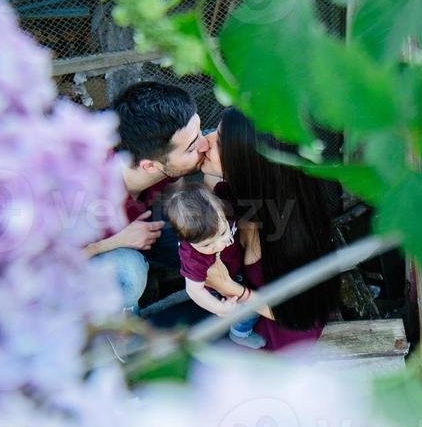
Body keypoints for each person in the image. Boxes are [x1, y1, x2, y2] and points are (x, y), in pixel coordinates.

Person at [201, 107, 340, 351]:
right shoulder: (236, 195)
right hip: (239, 322)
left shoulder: (293, 237)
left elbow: (301, 316)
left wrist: (232, 289)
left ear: (245, 163)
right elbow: (210, 180)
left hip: (281, 341)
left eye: (219, 141)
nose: (206, 141)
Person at [85, 81, 208, 313]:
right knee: (127, 273)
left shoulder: (161, 159)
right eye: (192, 147)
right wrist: (115, 241)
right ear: (149, 165)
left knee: (205, 234)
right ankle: (119, 337)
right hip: (89, 252)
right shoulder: (86, 189)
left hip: (143, 221)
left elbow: (176, 190)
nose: (205, 144)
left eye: (200, 131)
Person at [161, 182, 266, 349]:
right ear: (186, 240)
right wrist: (220, 308)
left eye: (223, 233)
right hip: (218, 288)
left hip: (235, 267)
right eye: (207, 245)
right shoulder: (193, 258)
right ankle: (240, 334)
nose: (219, 245)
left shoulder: (221, 212)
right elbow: (194, 290)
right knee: (248, 312)